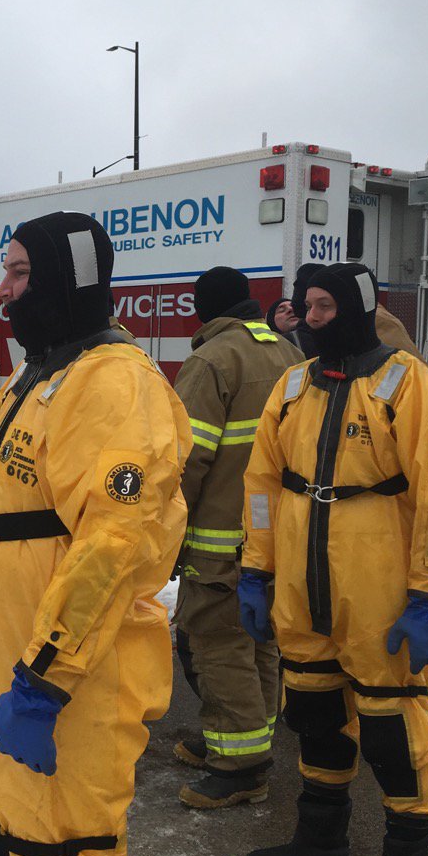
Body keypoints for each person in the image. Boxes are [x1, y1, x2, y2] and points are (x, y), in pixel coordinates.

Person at [0, 212, 190, 856]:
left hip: (68, 687)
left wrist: (43, 680)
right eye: (5, 271)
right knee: (12, 839)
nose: (2, 292)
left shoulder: (112, 386)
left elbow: (114, 543)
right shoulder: (41, 376)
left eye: (19, 273)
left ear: (60, 280)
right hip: (3, 664)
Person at [238, 263, 428, 856]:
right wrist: (255, 572)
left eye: (322, 307)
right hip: (300, 594)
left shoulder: (408, 386)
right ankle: (321, 838)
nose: (309, 318)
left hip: (379, 596)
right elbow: (260, 488)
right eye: (304, 306)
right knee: (314, 717)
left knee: (392, 731)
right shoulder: (290, 387)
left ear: (354, 309)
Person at [172, 267, 303, 809]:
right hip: (277, 535)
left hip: (221, 537)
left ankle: (242, 765)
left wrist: (163, 528)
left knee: (217, 641)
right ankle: (242, 734)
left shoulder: (212, 360)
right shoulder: (291, 354)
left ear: (205, 309)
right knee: (261, 640)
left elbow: (184, 459)